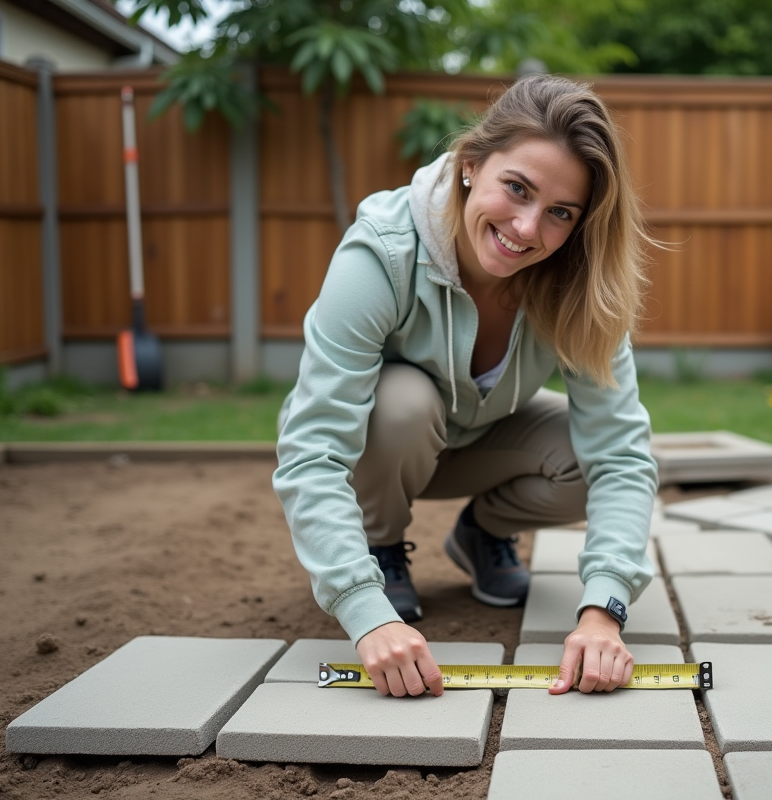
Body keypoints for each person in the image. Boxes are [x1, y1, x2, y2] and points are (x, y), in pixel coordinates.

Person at [273, 74, 658, 699]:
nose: (527, 228)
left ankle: (483, 533)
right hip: (384, 446)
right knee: (403, 402)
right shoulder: (382, 253)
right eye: (518, 188)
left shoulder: (579, 285)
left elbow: (621, 455)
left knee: (590, 459)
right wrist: (364, 611)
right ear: (470, 165)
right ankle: (380, 548)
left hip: (476, 441)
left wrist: (603, 611)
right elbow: (312, 450)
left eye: (560, 212)